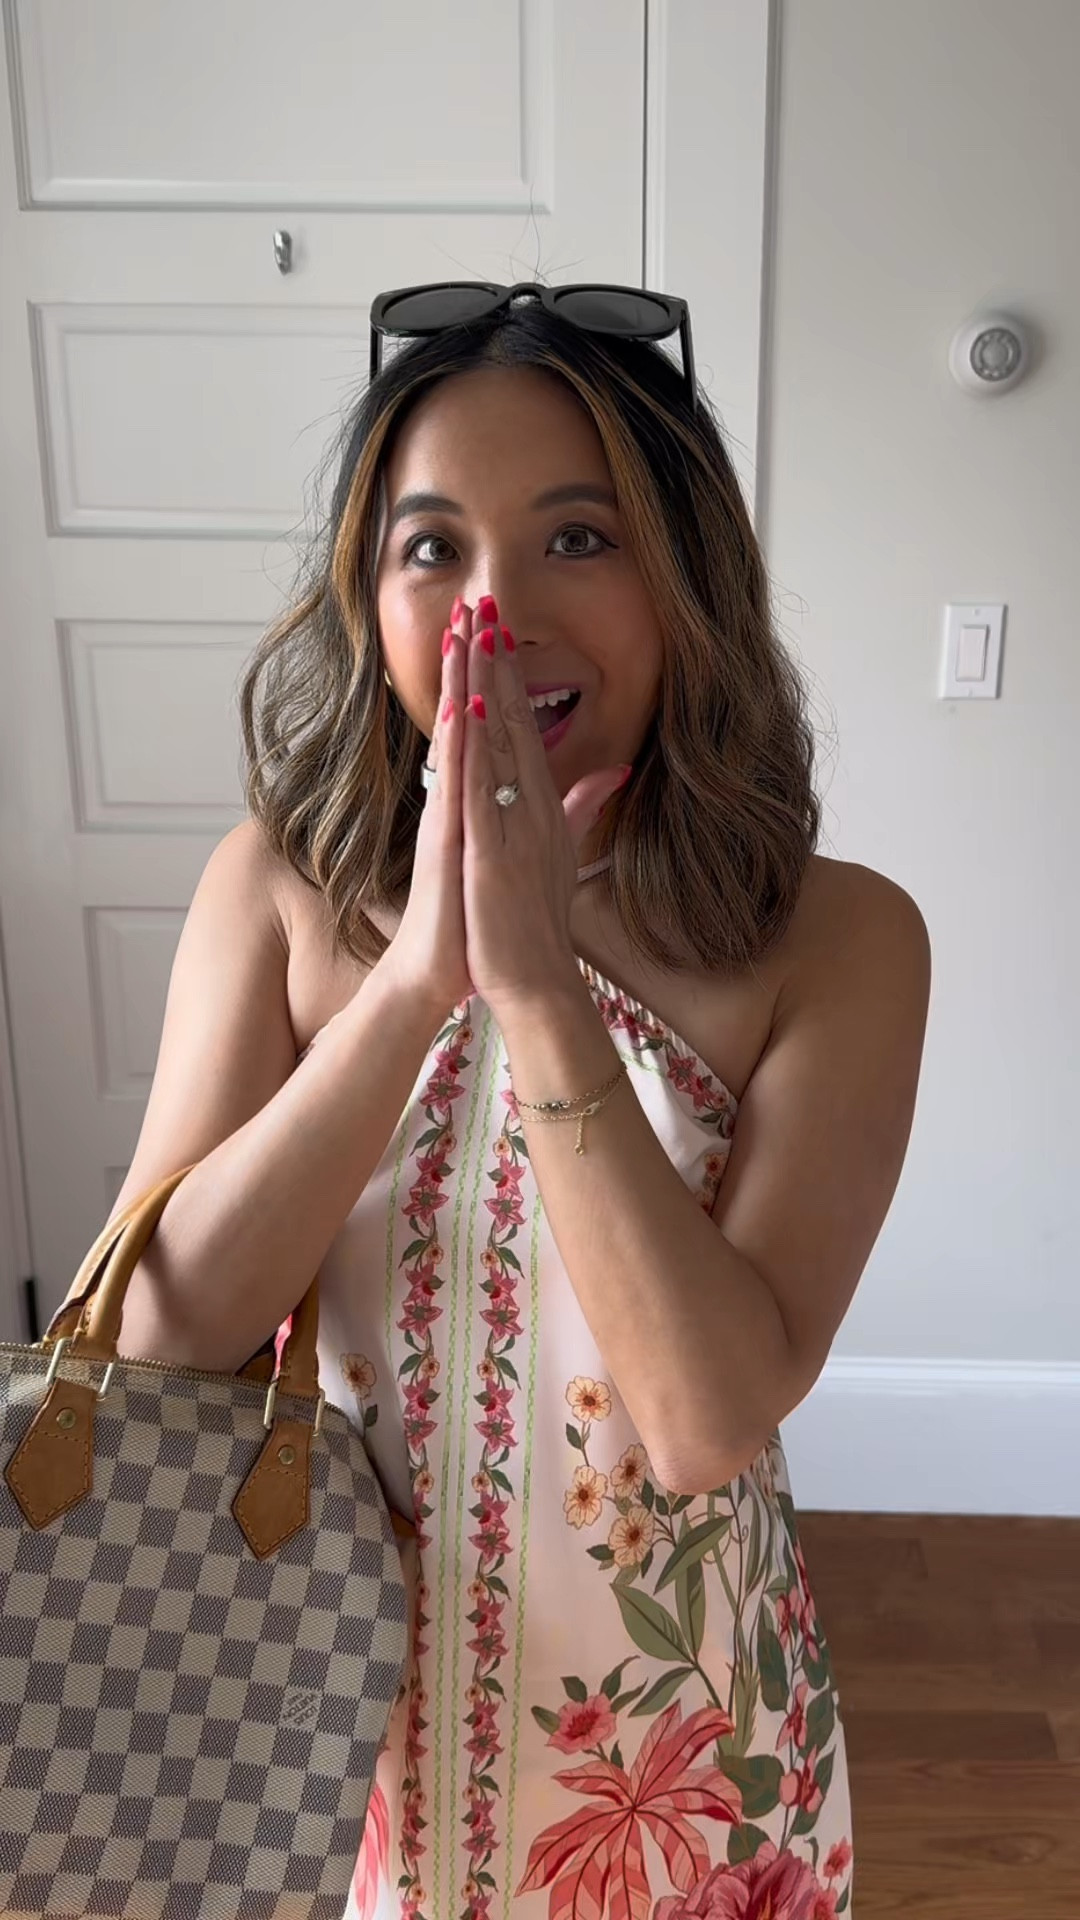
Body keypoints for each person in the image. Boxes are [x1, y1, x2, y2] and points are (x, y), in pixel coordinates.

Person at [113, 282, 930, 1920]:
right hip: (326, 1748)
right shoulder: (273, 894)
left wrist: (544, 993)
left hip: (687, 1787)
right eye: (434, 548)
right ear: (370, 595)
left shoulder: (834, 938)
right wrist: (414, 980)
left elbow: (708, 1418)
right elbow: (160, 1336)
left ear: (686, 576)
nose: (496, 608)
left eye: (578, 538)